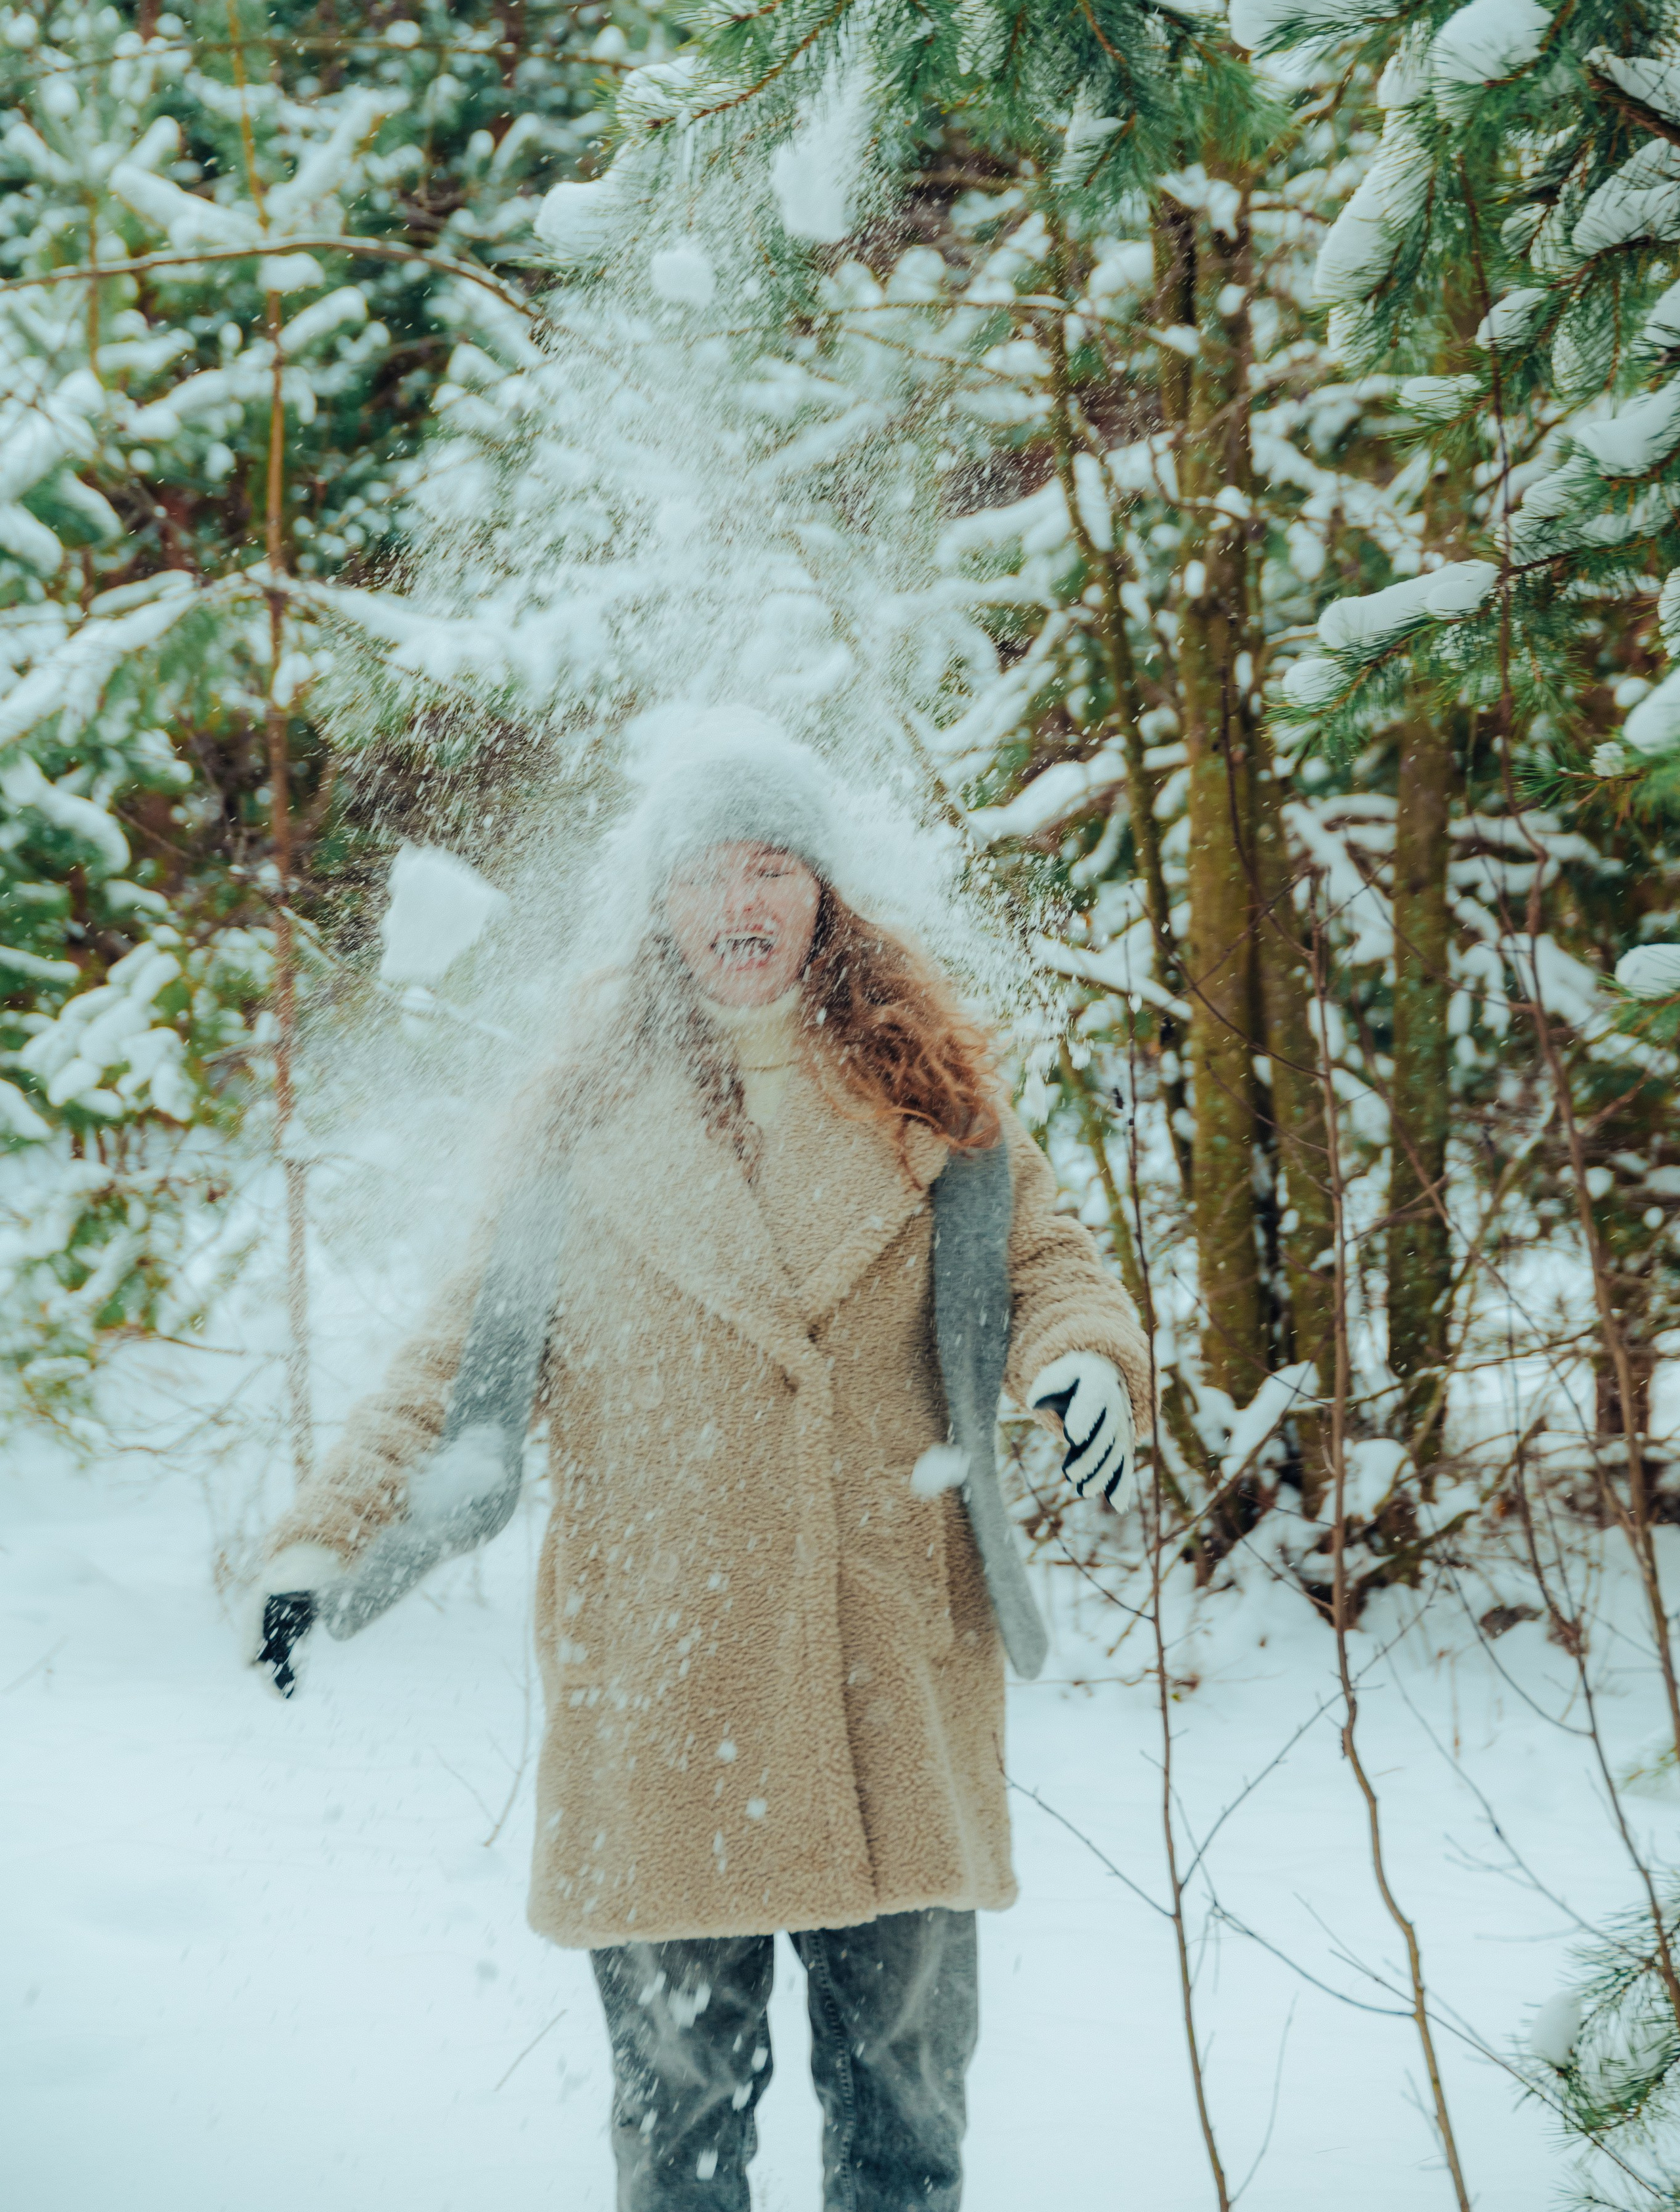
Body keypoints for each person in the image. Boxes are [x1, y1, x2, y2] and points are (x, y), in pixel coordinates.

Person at [245, 719, 1151, 2211]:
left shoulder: (939, 1107)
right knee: (677, 2143)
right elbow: (448, 1381)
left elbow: (1054, 1263)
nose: (738, 903)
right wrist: (322, 1543)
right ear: (656, 906)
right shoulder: (578, 1135)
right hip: (673, 1699)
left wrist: (1082, 1357)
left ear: (823, 892)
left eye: (770, 866)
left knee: (905, 2134)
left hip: (888, 1682)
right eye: (703, 874)